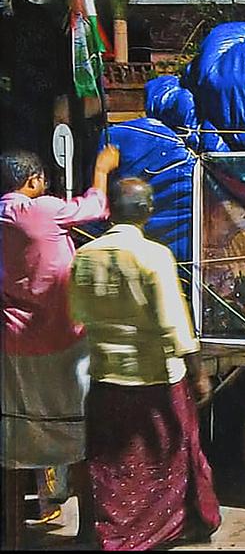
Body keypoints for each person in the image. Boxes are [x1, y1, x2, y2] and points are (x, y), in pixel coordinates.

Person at [68, 177, 220, 551]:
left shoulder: (85, 256)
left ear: (111, 212)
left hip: (105, 378)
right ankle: (163, 529)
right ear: (148, 211)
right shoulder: (154, 256)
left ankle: (111, 531)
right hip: (156, 378)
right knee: (168, 456)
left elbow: (76, 314)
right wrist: (198, 373)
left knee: (113, 464)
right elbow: (175, 323)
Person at [1, 145, 119, 549]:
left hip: (12, 344)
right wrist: (102, 168)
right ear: (32, 181)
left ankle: (13, 534)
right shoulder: (42, 210)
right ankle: (87, 532)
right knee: (79, 436)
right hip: (62, 341)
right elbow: (97, 206)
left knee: (16, 437)